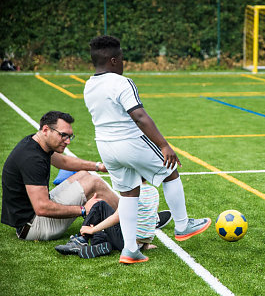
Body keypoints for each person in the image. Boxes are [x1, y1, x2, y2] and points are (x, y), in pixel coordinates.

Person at [84, 35, 211, 264]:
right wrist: (164, 145)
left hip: (105, 146)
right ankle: (182, 225)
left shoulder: (89, 85)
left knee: (129, 192)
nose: (124, 63)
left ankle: (130, 249)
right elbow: (139, 116)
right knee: (170, 171)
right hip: (130, 142)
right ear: (114, 60)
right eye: (122, 59)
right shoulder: (122, 82)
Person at [1, 111, 119, 241]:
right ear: (46, 129)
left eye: (69, 136)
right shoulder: (32, 159)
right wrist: (83, 210)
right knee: (94, 183)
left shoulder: (36, 143)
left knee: (84, 174)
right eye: (63, 135)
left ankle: (127, 214)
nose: (68, 141)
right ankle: (137, 219)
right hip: (33, 226)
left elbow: (63, 162)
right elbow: (42, 208)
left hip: (32, 218)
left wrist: (98, 166)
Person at [55, 180, 172, 260]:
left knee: (100, 205)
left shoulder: (131, 194)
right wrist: (146, 245)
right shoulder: (154, 192)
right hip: (137, 244)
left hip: (126, 241)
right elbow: (151, 220)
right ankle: (102, 244)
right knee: (103, 232)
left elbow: (116, 217)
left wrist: (92, 230)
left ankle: (81, 240)